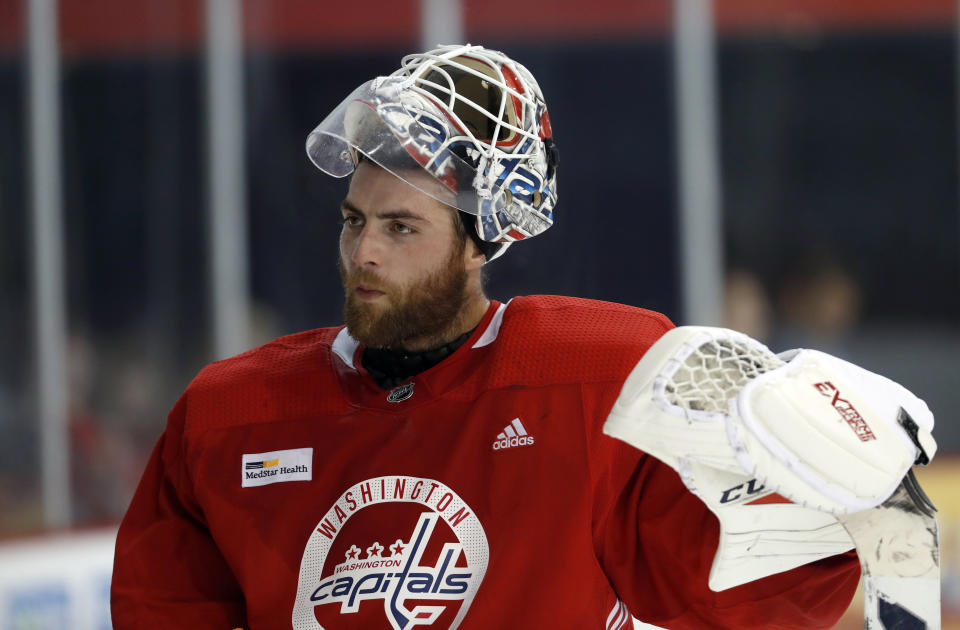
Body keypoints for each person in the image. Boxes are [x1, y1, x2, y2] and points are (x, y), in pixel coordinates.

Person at [112, 45, 865, 629]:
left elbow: (741, 595)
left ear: (484, 241)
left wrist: (830, 509)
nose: (364, 251)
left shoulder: (598, 381)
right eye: (354, 221)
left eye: (402, 227)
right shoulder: (228, 415)